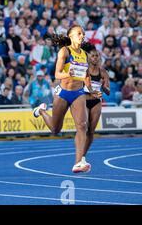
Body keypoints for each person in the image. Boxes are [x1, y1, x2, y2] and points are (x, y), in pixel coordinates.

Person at [33, 24, 94, 173]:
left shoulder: (85, 55)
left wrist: (91, 90)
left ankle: (79, 162)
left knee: (82, 126)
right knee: (55, 129)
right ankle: (41, 111)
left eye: (83, 34)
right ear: (71, 36)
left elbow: (86, 75)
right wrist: (69, 73)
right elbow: (57, 74)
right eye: (79, 33)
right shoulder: (64, 51)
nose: (82, 36)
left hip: (78, 93)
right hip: (63, 92)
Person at [81, 43, 110, 163]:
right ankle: (80, 151)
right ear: (88, 57)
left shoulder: (103, 72)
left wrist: (104, 87)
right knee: (83, 126)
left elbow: (108, 92)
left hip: (96, 102)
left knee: (91, 130)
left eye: (97, 56)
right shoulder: (84, 70)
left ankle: (83, 155)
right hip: (84, 100)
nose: (95, 58)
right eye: (93, 56)